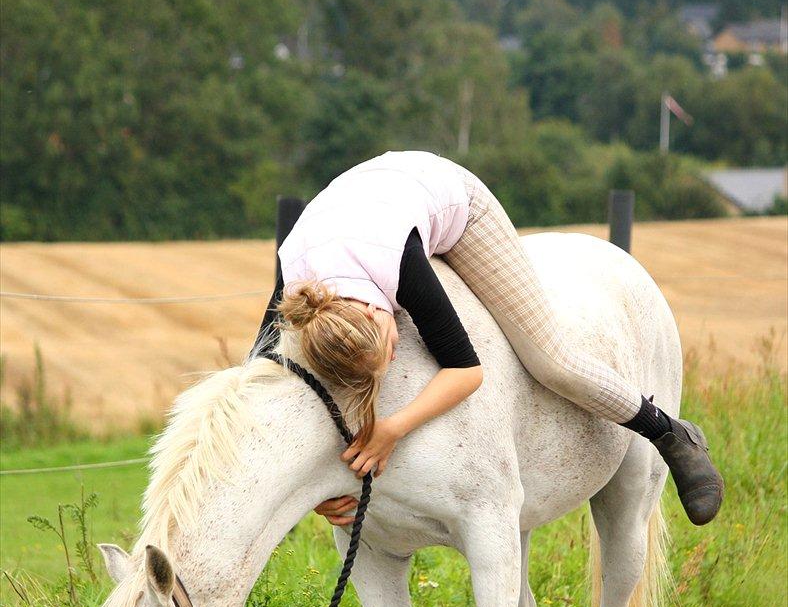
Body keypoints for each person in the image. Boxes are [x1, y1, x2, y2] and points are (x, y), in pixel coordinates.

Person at [253, 151, 723, 528]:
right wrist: (317, 489)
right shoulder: (293, 285)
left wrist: (392, 429)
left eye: (389, 346)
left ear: (379, 308)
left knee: (550, 358)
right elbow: (269, 396)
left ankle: (670, 434)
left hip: (449, 198)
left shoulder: (396, 263)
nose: (394, 353)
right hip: (364, 206)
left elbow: (466, 370)